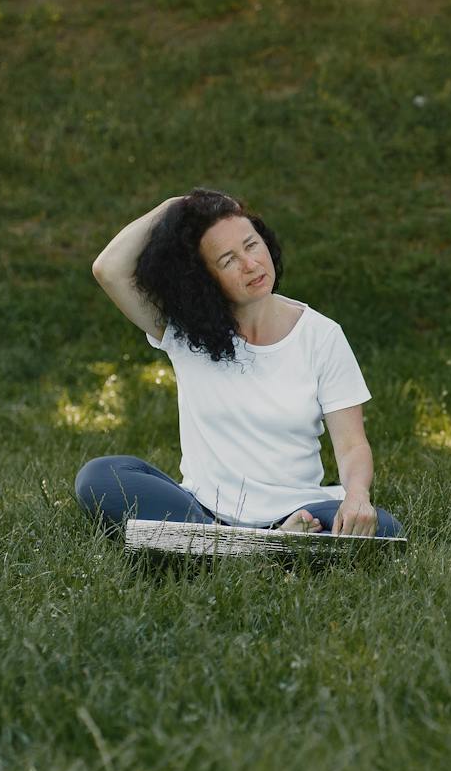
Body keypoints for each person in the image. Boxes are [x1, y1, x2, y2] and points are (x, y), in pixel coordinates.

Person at [75, 189, 401, 538]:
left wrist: (356, 497)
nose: (251, 265)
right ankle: (258, 543)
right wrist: (180, 206)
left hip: (300, 509)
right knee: (99, 477)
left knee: (382, 529)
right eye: (228, 260)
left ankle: (224, 546)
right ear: (204, 278)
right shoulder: (185, 333)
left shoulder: (322, 335)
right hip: (202, 508)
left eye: (251, 245)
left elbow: (352, 445)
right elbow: (108, 269)